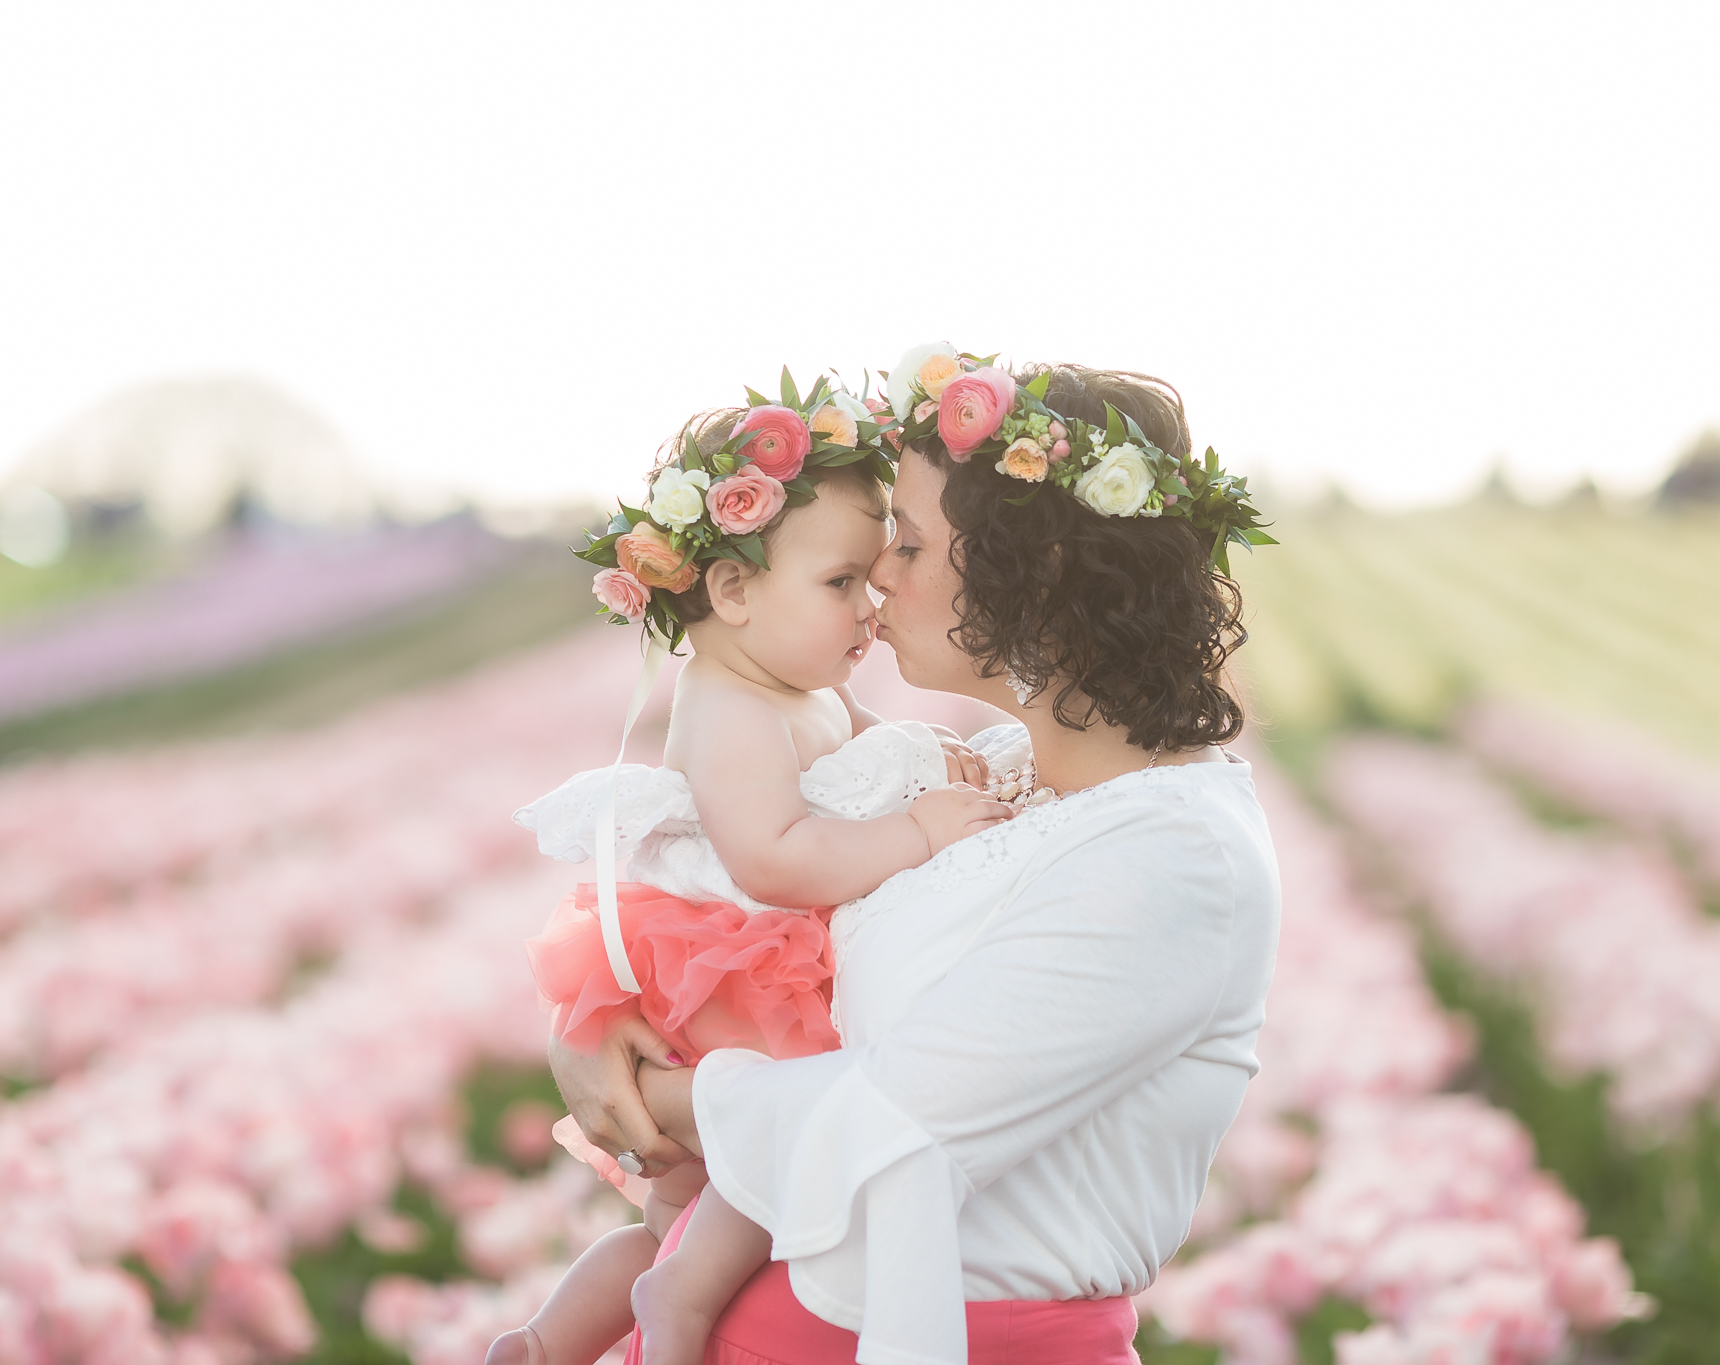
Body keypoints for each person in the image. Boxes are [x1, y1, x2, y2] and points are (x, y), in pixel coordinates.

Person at [533, 347, 1282, 1365]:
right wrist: (600, 1031)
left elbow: (889, 1125)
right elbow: (773, 936)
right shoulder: (1002, 771)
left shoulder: (1174, 856)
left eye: (913, 544)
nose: (881, 576)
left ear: (1037, 573)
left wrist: (631, 1090)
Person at [497, 378, 1012, 1365]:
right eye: (838, 583)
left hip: (749, 955)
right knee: (760, 1158)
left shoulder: (802, 690)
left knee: (678, 1209)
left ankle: (545, 1340)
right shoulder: (732, 708)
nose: (869, 608)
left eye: (872, 580)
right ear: (731, 591)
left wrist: (926, 770)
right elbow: (774, 857)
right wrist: (919, 832)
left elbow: (866, 764)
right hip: (733, 963)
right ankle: (679, 1307)